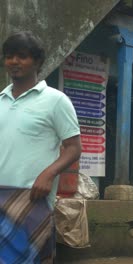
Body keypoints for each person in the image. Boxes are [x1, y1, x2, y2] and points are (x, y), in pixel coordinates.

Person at [0, 31, 81, 263]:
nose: (14, 62)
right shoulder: (0, 101)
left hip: (33, 200)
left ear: (37, 61)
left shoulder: (55, 100)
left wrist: (48, 173)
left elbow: (74, 147)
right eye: (9, 56)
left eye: (22, 56)